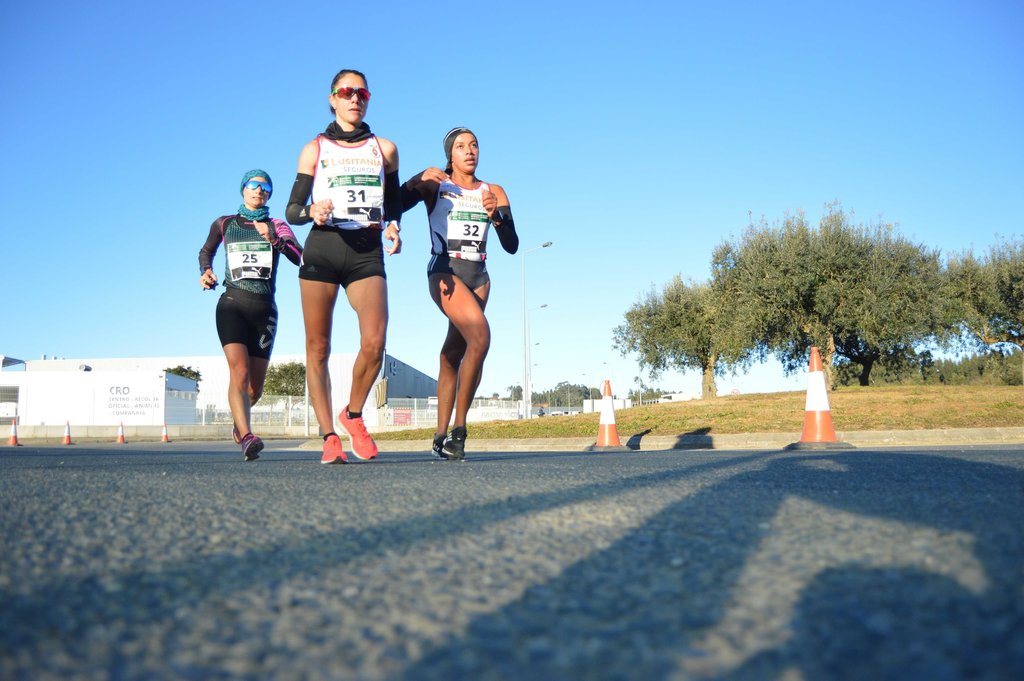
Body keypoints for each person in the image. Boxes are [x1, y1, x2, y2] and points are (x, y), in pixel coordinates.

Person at [285, 69, 402, 465]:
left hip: (366, 252)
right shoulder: (314, 149)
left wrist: (394, 225)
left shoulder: (384, 149)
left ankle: (352, 414)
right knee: (318, 348)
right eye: (346, 92)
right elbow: (292, 209)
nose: (355, 98)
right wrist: (310, 211)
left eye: (362, 92)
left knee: (375, 341)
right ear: (332, 99)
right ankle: (328, 436)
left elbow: (395, 201)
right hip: (323, 250)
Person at [402, 127, 519, 460]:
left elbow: (511, 246)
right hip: (445, 273)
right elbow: (394, 202)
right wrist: (415, 179)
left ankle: (440, 434)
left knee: (453, 352)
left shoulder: (493, 190)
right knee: (480, 337)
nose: (469, 151)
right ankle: (459, 430)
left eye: (474, 145)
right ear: (449, 155)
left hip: (479, 278)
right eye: (461, 147)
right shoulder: (437, 184)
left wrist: (496, 217)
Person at [199, 169, 302, 461]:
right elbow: (206, 251)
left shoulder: (276, 224)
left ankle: (239, 423)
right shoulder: (225, 223)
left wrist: (274, 240)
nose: (259, 190)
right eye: (253, 185)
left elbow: (300, 257)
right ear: (243, 189)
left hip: (265, 309)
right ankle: (246, 436)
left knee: (255, 388)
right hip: (232, 303)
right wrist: (205, 272)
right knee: (239, 372)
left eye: (265, 187)